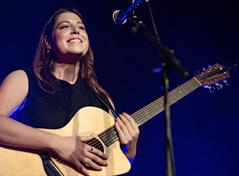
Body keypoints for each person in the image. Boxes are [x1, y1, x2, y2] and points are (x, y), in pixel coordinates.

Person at [0, 8, 139, 176]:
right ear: (48, 42)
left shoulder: (103, 99)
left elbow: (111, 168)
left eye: (81, 27)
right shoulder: (24, 79)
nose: (76, 30)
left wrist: (130, 149)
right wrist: (59, 144)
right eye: (64, 26)